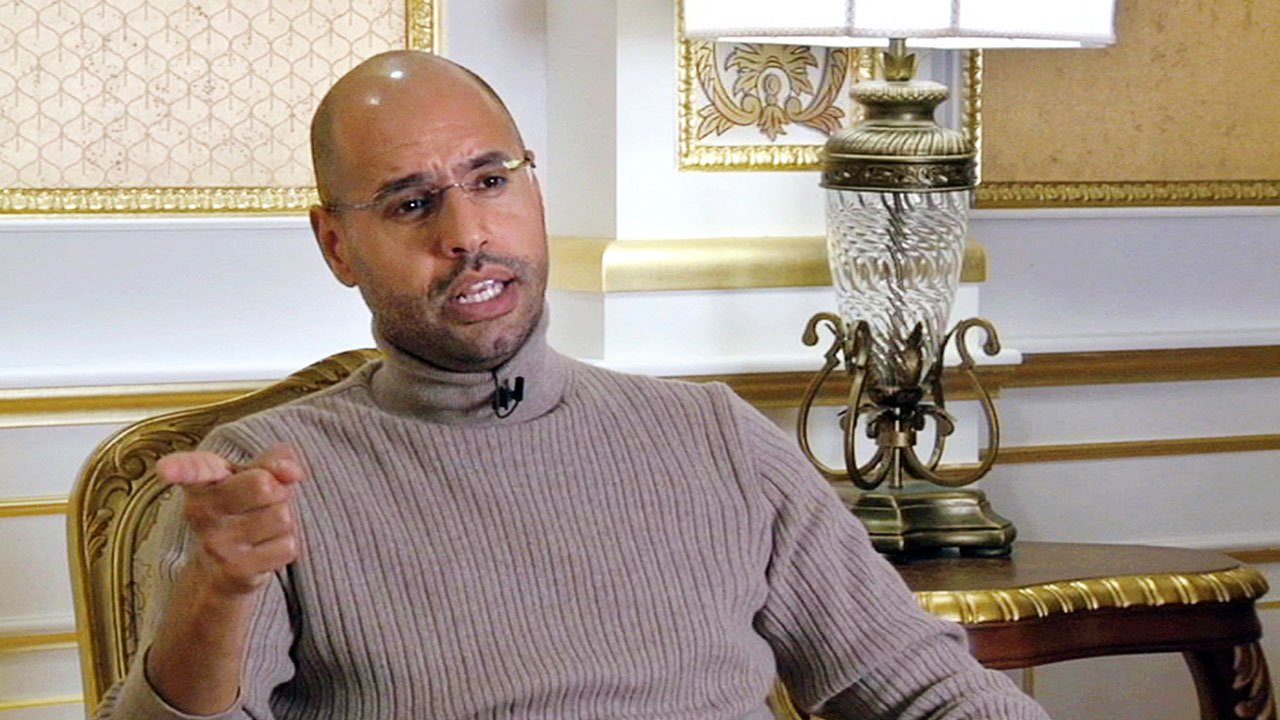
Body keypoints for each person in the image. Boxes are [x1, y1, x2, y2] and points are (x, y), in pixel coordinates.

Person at [94, 50, 1050, 720]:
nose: (467, 234)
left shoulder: (710, 436)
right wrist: (215, 594)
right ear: (337, 245)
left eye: (492, 180)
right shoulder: (260, 483)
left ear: (535, 188)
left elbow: (920, 686)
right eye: (412, 203)